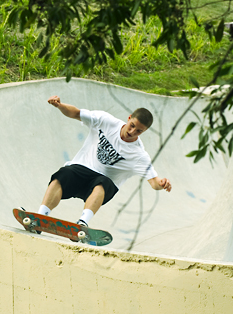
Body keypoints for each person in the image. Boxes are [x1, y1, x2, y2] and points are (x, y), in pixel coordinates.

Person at [36, 95, 172, 228]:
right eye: (132, 126)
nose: (132, 132)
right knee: (64, 173)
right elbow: (76, 113)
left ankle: (82, 223)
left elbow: (154, 182)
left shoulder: (139, 155)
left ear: (144, 131)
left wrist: (162, 183)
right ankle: (40, 217)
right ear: (129, 118)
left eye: (139, 131)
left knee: (103, 182)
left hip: (103, 183)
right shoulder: (105, 121)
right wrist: (60, 105)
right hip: (83, 168)